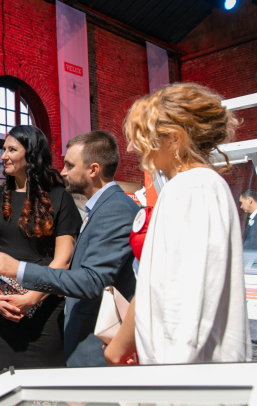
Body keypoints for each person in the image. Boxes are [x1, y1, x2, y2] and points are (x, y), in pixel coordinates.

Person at [105, 82, 251, 365]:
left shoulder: (192, 188)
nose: (133, 147)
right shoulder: (190, 186)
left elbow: (185, 302)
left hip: (186, 374)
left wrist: (168, 372)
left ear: (173, 138)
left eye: (142, 137)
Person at [0, 130, 138, 367]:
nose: (62, 171)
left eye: (70, 165)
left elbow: (77, 269)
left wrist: (28, 293)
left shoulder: (92, 204)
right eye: (3, 149)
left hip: (47, 310)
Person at [0, 125, 81, 371]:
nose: (3, 156)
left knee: (45, 382)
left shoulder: (60, 198)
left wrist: (32, 298)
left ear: (31, 154)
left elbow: (63, 261)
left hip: (45, 307)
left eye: (12, 149)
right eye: (3, 149)